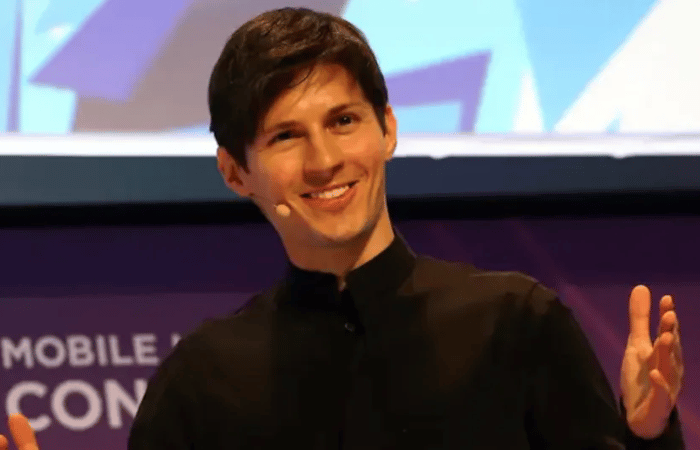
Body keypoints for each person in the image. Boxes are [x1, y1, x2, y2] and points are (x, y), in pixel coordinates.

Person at [1, 7, 684, 450]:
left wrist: (648, 434)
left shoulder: (517, 322)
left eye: (344, 121)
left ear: (388, 129)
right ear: (235, 172)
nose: (324, 160)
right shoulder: (200, 381)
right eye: (285, 136)